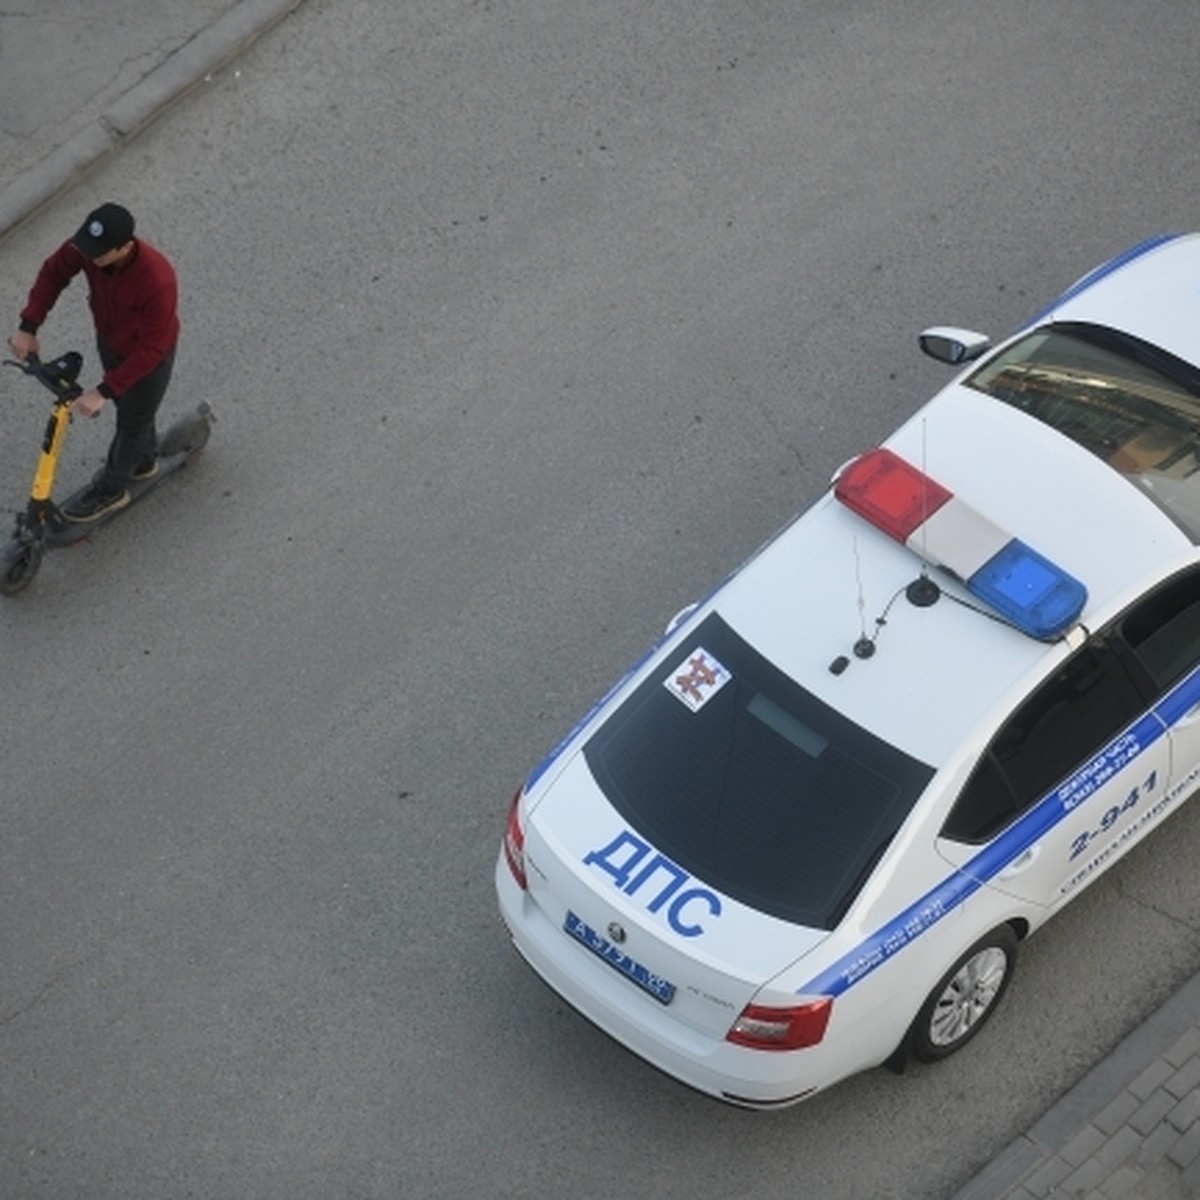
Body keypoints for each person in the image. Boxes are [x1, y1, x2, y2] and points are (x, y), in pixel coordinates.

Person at [7, 202, 180, 521]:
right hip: (111, 339)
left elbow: (152, 348)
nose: (89, 257)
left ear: (125, 247)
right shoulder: (88, 248)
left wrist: (104, 390)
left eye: (99, 254)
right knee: (133, 408)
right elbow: (53, 274)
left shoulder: (156, 280)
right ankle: (143, 460)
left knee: (132, 422)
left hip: (148, 355)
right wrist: (28, 326)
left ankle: (111, 490)